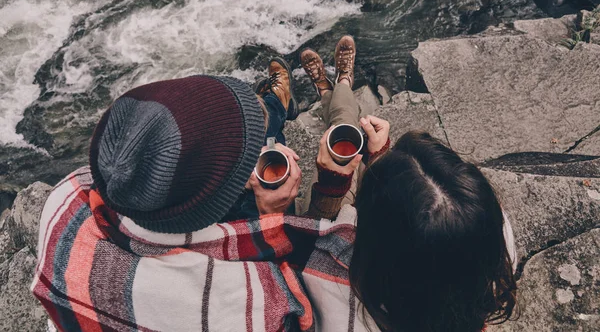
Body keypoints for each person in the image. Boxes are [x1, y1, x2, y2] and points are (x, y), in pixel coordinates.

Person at [31, 71, 316, 331]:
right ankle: (277, 105)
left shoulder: (64, 198)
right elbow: (298, 311)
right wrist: (271, 216)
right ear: (208, 208)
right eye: (243, 168)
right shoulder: (240, 301)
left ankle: (276, 104)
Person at [296, 38, 518, 332]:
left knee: (341, 133)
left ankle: (337, 87)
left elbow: (303, 245)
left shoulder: (332, 288)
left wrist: (330, 189)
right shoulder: (490, 234)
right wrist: (378, 157)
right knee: (343, 132)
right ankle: (338, 85)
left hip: (342, 213)